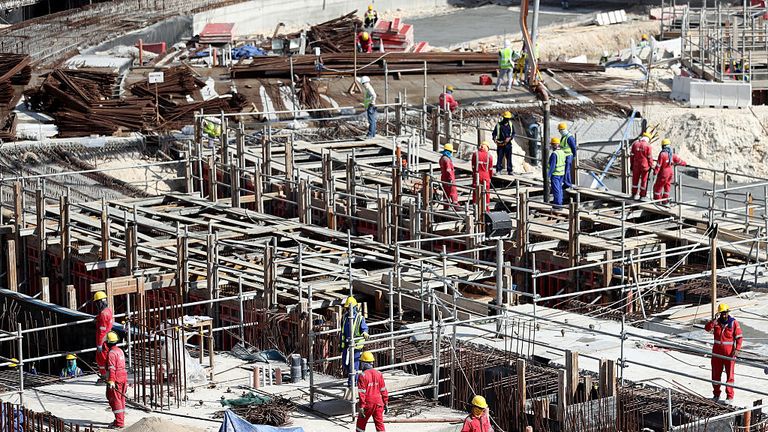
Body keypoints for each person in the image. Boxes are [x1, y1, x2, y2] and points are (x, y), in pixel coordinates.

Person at [705, 304, 743, 404]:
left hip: (729, 354)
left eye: (725, 313)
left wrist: (737, 349)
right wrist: (713, 321)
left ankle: (729, 396)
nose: (724, 315)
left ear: (728, 313)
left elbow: (739, 337)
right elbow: (707, 328)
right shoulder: (716, 323)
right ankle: (716, 394)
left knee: (730, 376)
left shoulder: (733, 323)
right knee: (715, 375)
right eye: (722, 313)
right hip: (717, 354)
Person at [355, 351, 389, 432]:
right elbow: (383, 390)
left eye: (361, 362)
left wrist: (362, 407)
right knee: (379, 424)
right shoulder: (379, 374)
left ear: (364, 363)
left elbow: (362, 393)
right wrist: (386, 403)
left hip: (368, 403)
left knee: (361, 424)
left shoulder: (362, 376)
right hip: (379, 403)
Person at [341, 296, 369, 386]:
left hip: (356, 346)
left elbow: (364, 327)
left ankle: (352, 383)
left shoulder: (359, 318)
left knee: (354, 365)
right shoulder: (345, 317)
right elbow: (342, 331)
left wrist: (365, 332)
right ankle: (352, 379)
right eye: (346, 308)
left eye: (349, 308)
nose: (348, 310)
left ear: (355, 307)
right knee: (345, 364)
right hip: (346, 344)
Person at [652, 138, 686, 204]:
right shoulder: (671, 154)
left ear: (663, 146)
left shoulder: (662, 154)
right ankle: (665, 201)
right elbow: (679, 161)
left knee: (658, 188)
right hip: (670, 173)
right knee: (667, 187)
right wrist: (685, 163)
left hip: (663, 174)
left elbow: (659, 165)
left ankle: (658, 201)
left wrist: (655, 172)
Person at [104, 331, 127, 428]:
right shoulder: (120, 351)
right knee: (121, 399)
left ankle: (119, 423)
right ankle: (119, 419)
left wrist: (111, 380)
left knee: (115, 400)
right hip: (123, 377)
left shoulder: (111, 353)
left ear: (108, 342)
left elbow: (112, 368)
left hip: (116, 378)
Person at [94, 291, 113, 382]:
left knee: (101, 359)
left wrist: (99, 344)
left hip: (103, 340)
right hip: (107, 338)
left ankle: (105, 377)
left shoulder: (103, 314)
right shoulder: (108, 310)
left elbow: (102, 331)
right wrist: (98, 319)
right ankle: (106, 376)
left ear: (100, 302)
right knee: (104, 358)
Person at [630, 132, 654, 199]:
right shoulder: (648, 146)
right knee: (644, 181)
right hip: (644, 166)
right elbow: (649, 157)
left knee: (635, 180)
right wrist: (651, 166)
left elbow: (632, 156)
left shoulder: (635, 144)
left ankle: (633, 194)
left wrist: (631, 165)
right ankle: (642, 196)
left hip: (636, 166)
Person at [471, 141, 494, 211]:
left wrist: (474, 173)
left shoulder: (475, 154)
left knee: (475, 191)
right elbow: (490, 169)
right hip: (486, 176)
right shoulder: (489, 156)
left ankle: (475, 207)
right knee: (486, 193)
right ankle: (486, 209)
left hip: (477, 174)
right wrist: (490, 177)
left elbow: (473, 166)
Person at [439, 143, 459, 209]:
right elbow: (449, 170)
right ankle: (455, 205)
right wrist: (450, 179)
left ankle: (446, 206)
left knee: (446, 193)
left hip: (444, 178)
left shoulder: (442, 158)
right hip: (449, 178)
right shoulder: (447, 160)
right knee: (453, 192)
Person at [558, 122, 577, 188]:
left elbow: (574, 147)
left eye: (560, 130)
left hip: (568, 156)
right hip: (564, 156)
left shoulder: (569, 137)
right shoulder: (564, 137)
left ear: (563, 129)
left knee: (566, 170)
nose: (559, 131)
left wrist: (574, 155)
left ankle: (567, 184)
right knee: (565, 170)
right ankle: (567, 183)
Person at [548, 137, 566, 207]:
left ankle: (557, 204)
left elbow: (552, 166)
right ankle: (560, 202)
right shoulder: (562, 152)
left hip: (555, 174)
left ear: (554, 145)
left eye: (552, 145)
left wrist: (548, 175)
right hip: (561, 173)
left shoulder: (554, 154)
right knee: (560, 189)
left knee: (556, 190)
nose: (551, 146)